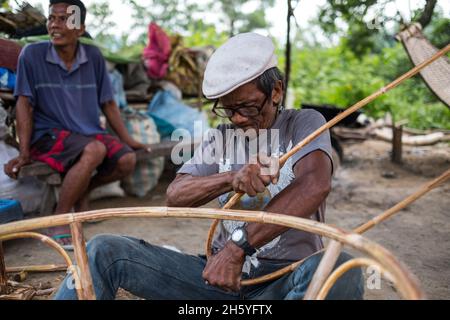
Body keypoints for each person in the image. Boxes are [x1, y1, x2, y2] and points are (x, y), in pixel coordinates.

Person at [55, 33, 364, 300]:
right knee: (103, 251)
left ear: (277, 92)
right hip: (220, 281)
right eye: (229, 110)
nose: (239, 118)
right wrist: (231, 178)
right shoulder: (220, 137)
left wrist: (237, 246)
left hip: (287, 279)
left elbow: (314, 185)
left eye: (247, 107)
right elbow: (176, 196)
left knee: (339, 269)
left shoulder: (304, 123)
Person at [3, 0, 148, 249]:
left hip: (87, 133)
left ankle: (82, 192)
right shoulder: (32, 55)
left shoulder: (93, 56)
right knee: (95, 150)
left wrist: (129, 140)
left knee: (127, 160)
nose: (54, 25)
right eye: (51, 18)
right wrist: (24, 151)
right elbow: (23, 104)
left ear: (80, 28)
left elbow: (109, 103)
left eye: (64, 19)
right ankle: (60, 218)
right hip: (47, 135)